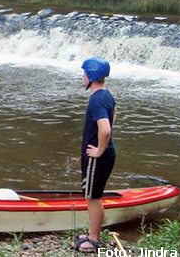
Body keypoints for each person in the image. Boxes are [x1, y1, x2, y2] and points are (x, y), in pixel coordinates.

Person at [73, 58, 117, 253]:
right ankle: (93, 233)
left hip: (97, 157)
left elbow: (105, 129)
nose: (82, 76)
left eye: (84, 73)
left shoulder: (96, 99)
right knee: (94, 195)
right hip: (103, 153)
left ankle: (93, 239)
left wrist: (99, 149)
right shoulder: (106, 95)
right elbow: (114, 113)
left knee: (93, 197)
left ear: (90, 76)